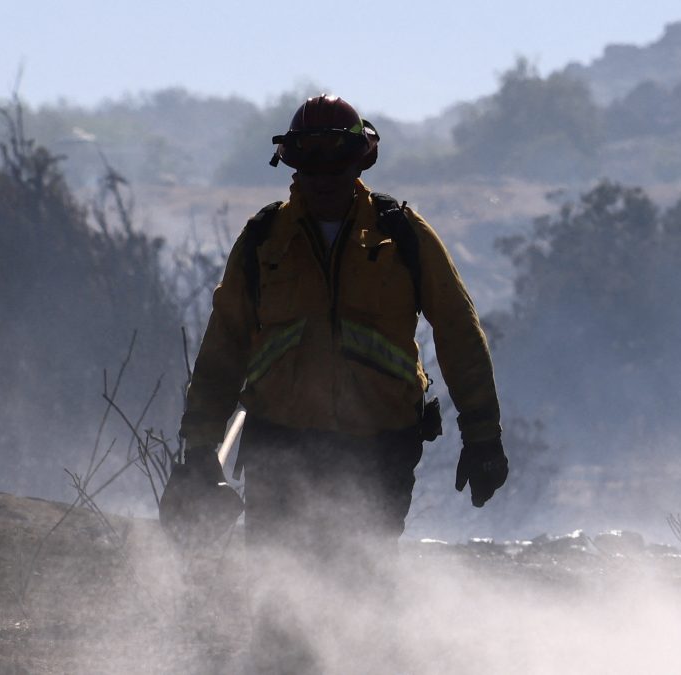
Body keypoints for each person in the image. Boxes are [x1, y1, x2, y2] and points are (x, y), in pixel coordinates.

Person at [174, 94, 507, 670]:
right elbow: (223, 347)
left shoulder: (402, 234)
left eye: (338, 162)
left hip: (378, 448)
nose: (326, 176)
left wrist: (483, 433)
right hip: (282, 444)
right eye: (313, 162)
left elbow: (459, 331)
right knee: (281, 600)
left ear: (361, 161)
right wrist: (199, 445)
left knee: (362, 590)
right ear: (293, 165)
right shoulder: (262, 241)